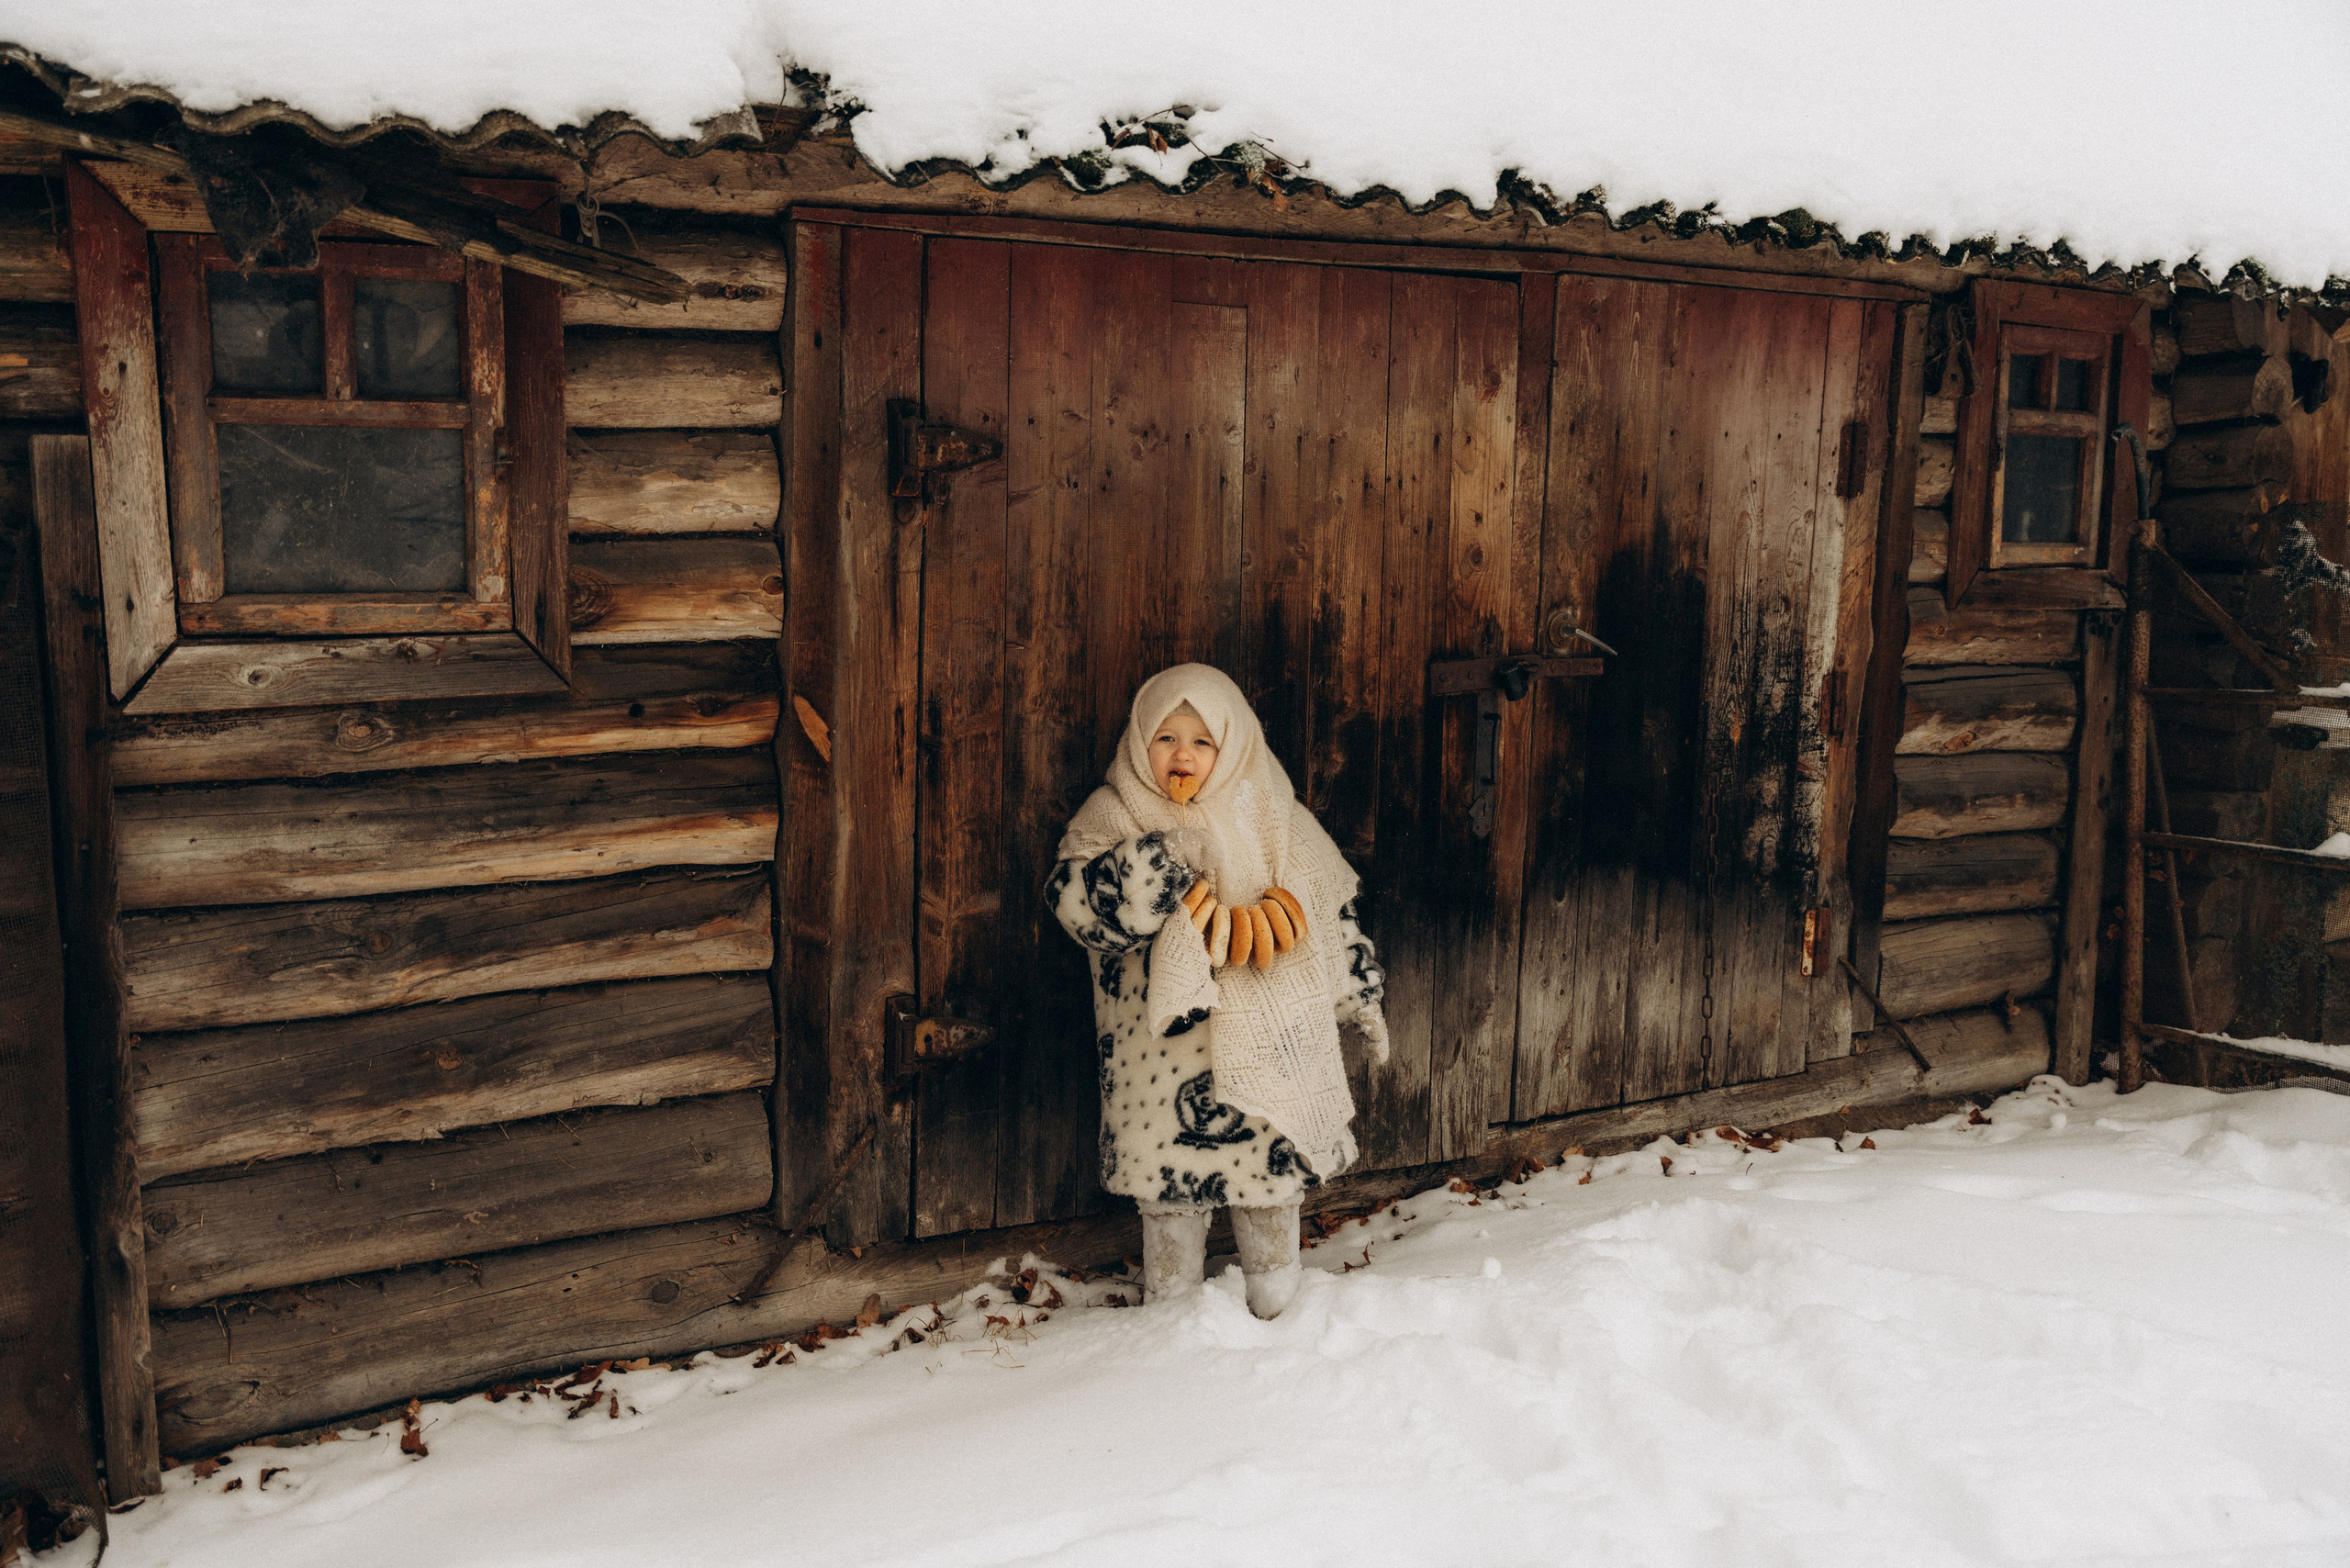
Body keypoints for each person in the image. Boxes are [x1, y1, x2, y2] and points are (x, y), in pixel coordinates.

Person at [1046, 664, 1389, 1317]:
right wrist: (1158, 860)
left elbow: (1328, 916)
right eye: (1167, 738)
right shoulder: (1113, 815)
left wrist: (1357, 993)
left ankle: (1277, 1293)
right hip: (1159, 1060)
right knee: (1170, 1191)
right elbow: (1076, 909)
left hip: (1270, 1041)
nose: (1183, 755)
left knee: (1268, 1177)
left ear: (1234, 746)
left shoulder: (1277, 816)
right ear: (1139, 742)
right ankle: (1173, 1308)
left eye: (1203, 741)